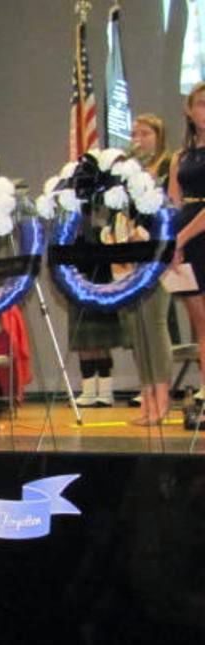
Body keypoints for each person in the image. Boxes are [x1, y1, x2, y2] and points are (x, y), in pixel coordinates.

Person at [118, 114, 173, 425]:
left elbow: (170, 206)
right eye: (135, 133)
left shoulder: (167, 166)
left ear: (159, 135)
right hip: (134, 251)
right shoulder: (131, 172)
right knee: (136, 328)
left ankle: (163, 399)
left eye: (146, 133)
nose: (139, 138)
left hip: (158, 251)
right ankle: (147, 398)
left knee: (154, 324)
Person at [169, 82, 205, 405]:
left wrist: (182, 237)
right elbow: (173, 205)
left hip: (199, 234)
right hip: (185, 242)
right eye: (202, 104)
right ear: (190, 111)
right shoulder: (179, 157)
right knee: (199, 322)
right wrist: (171, 242)